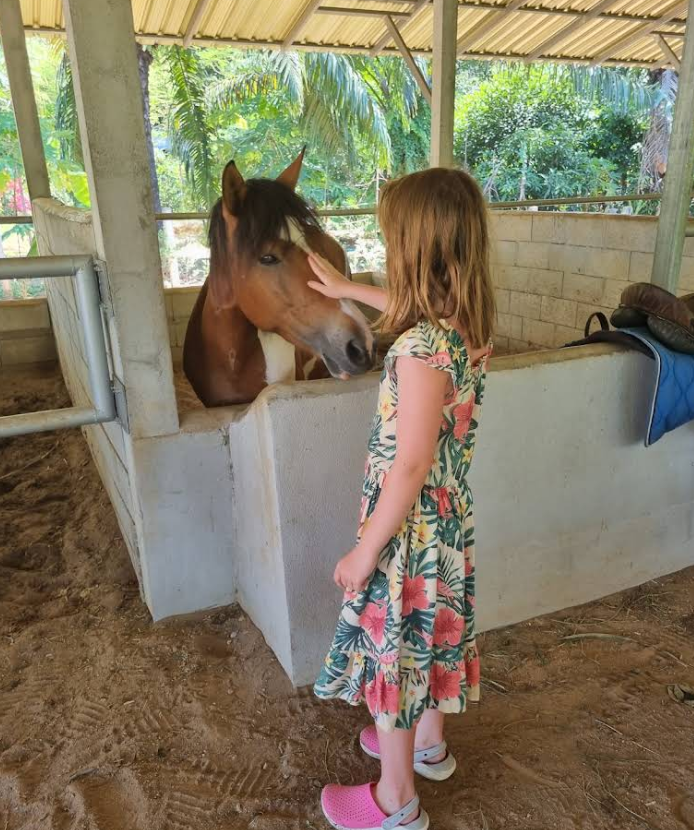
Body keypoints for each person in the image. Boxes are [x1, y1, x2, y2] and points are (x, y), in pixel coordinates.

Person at [307, 167, 495, 830]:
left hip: (406, 532)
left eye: (391, 241)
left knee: (396, 655)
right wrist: (343, 287)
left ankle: (395, 801)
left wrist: (365, 551)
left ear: (412, 252)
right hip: (446, 527)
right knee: (433, 640)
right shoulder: (462, 325)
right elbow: (404, 305)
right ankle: (430, 745)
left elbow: (410, 464)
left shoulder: (419, 349)